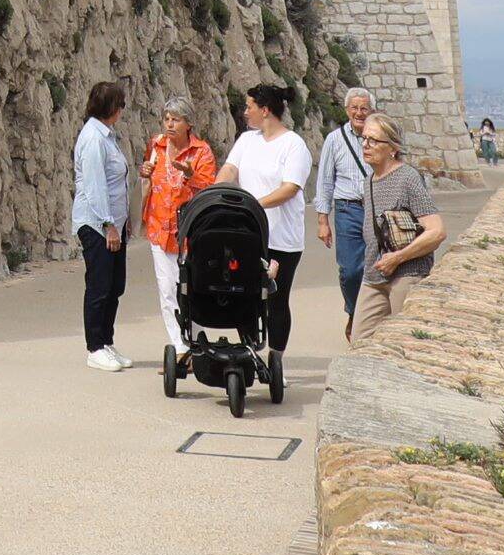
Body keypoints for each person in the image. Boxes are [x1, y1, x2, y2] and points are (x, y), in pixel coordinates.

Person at [222, 85, 311, 369]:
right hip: (249, 235)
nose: (245, 111)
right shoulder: (247, 140)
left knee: (275, 298)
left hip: (282, 239)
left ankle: (275, 360)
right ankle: (250, 352)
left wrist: (255, 204)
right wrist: (215, 190)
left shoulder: (293, 145)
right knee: (243, 295)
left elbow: (290, 188)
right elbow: (230, 169)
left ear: (265, 110)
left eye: (249, 106)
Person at [139, 106, 220, 357]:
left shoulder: (201, 152)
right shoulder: (156, 145)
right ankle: (180, 347)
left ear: (188, 123)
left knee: (191, 289)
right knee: (167, 290)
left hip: (191, 233)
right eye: (166, 119)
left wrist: (189, 175)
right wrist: (145, 172)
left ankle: (196, 343)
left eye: (176, 119)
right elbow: (148, 176)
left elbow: (208, 189)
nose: (170, 124)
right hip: (159, 228)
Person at [352, 127, 444, 334]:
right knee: (359, 341)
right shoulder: (369, 181)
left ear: (392, 149)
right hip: (374, 275)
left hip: (406, 274)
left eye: (374, 140)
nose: (365, 145)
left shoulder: (408, 178)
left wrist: (397, 258)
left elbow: (436, 232)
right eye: (364, 138)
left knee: (403, 338)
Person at [70, 80, 134, 373]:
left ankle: (106, 342)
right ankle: (94, 347)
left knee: (114, 285)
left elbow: (117, 181)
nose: (122, 110)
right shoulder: (94, 139)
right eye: (120, 104)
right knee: (99, 286)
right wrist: (108, 224)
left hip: (114, 224)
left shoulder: (108, 136)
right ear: (111, 108)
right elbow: (95, 187)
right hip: (97, 225)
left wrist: (124, 220)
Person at [314, 86, 375, 302]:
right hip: (347, 209)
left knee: (378, 267)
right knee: (350, 271)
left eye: (364, 108)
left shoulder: (380, 138)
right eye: (355, 108)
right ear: (347, 110)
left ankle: (370, 314)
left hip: (377, 209)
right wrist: (323, 221)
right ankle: (353, 311)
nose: (359, 113)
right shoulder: (334, 139)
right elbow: (325, 181)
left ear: (371, 111)